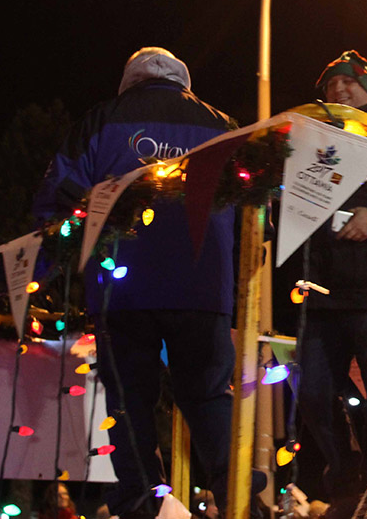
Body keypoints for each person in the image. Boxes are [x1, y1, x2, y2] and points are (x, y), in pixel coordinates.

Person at [32, 47, 237, 519]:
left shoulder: (102, 120)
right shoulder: (223, 124)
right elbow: (254, 201)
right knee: (207, 394)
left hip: (121, 288)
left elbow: (55, 201)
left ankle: (142, 504)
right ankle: (239, 496)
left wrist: (40, 272)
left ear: (130, 81)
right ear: (182, 81)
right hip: (204, 285)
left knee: (128, 401)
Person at [296, 50, 367, 519]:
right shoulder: (306, 143)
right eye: (331, 85)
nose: (339, 91)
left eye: (349, 84)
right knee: (314, 395)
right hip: (320, 295)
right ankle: (345, 478)